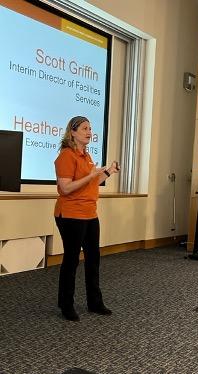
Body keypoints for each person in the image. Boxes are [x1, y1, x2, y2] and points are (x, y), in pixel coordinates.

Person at [54, 116, 120, 321]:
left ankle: (95, 302)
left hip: (90, 213)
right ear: (72, 132)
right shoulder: (66, 156)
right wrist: (91, 176)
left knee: (94, 258)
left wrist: (107, 172)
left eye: (90, 128)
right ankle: (66, 305)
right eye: (84, 128)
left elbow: (91, 183)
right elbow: (65, 188)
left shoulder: (87, 156)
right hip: (71, 214)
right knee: (71, 260)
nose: (89, 132)